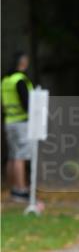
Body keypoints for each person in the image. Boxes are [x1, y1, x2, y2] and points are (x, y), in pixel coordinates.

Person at [1, 52, 33, 202]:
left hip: (9, 120)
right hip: (21, 121)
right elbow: (27, 104)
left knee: (12, 156)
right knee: (21, 156)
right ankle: (21, 189)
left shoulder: (5, 80)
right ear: (23, 62)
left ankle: (13, 188)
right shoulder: (20, 80)